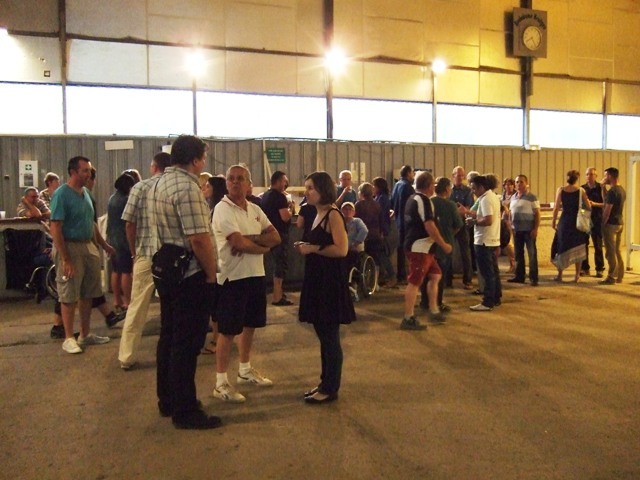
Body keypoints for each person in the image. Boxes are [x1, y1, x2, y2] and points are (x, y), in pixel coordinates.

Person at [152, 135, 222, 430]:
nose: (204, 162)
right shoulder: (188, 189)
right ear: (195, 160)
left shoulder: (160, 183)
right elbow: (198, 239)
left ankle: (168, 399)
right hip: (189, 274)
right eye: (203, 157)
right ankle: (185, 410)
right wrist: (211, 274)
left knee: (169, 337)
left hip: (168, 270)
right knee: (187, 343)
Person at [212, 165, 280, 403]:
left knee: (250, 324)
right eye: (231, 178)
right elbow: (237, 243)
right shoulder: (222, 209)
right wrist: (262, 247)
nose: (235, 182)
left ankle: (244, 370)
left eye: (240, 178)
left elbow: (276, 237)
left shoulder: (255, 209)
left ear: (249, 184)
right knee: (228, 330)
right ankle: (221, 382)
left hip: (254, 275)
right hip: (232, 278)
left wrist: (251, 239)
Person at [295, 171, 355, 404]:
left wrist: (312, 249)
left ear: (323, 189)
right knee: (323, 334)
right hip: (318, 280)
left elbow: (342, 249)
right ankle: (325, 382)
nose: (307, 192)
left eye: (310, 188)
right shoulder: (316, 213)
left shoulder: (333, 214)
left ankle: (330, 387)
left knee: (329, 337)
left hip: (329, 282)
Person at [49, 156, 113, 354]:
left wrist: (104, 245)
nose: (89, 174)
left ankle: (85, 334)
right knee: (69, 294)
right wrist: (66, 258)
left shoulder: (86, 194)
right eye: (85, 170)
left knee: (88, 293)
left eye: (89, 170)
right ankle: (69, 338)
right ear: (73, 172)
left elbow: (91, 224)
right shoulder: (61, 195)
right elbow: (55, 227)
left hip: (87, 246)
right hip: (69, 247)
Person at [118, 152, 171, 371]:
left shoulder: (139, 188)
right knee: (171, 306)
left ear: (153, 166)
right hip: (172, 257)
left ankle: (126, 356)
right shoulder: (175, 187)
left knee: (137, 307)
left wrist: (134, 253)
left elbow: (129, 224)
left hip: (146, 255)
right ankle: (172, 352)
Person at [401, 171, 452, 329]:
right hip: (420, 248)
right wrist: (443, 244)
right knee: (414, 282)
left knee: (435, 275)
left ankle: (433, 309)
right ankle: (408, 317)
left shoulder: (412, 198)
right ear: (430, 185)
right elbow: (429, 225)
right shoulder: (423, 201)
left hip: (423, 247)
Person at [466, 175, 502, 311]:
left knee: (487, 273)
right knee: (493, 271)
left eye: (474, 188)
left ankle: (487, 301)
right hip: (491, 239)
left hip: (484, 240)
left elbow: (488, 220)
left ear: (481, 187)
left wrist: (473, 222)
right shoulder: (492, 197)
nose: (473, 191)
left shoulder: (485, 199)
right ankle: (496, 297)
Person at [260, 171, 295, 306]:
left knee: (272, 264)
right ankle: (277, 296)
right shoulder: (280, 197)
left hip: (267, 234)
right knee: (280, 264)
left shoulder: (265, 195)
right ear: (279, 181)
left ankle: (277, 293)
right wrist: (291, 208)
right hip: (279, 234)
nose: (285, 184)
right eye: (284, 181)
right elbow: (285, 217)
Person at [428, 177, 462, 313]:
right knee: (439, 276)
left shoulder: (428, 202)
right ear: (447, 189)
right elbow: (458, 225)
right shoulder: (451, 205)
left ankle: (425, 301)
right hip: (445, 245)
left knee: (427, 275)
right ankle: (437, 302)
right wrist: (449, 235)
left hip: (428, 245)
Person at [551, 170, 591, 283]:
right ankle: (577, 275)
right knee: (578, 246)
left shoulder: (561, 190)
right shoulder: (581, 191)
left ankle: (560, 274)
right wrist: (581, 211)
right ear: (577, 179)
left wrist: (553, 221)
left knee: (561, 246)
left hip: (564, 221)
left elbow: (556, 207)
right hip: (577, 222)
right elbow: (588, 206)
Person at [107, 172, 138, 313]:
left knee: (116, 271)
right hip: (123, 240)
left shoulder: (112, 198)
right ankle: (127, 301)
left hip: (112, 239)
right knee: (126, 271)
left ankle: (116, 300)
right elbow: (129, 222)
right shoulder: (126, 200)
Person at [507, 175, 540, 286]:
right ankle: (519, 276)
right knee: (518, 254)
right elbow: (511, 212)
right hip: (517, 230)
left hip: (529, 230)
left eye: (521, 182)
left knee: (531, 254)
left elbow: (537, 214)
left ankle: (533, 278)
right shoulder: (513, 197)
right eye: (517, 182)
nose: (519, 184)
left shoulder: (532, 197)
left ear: (526, 183)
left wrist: (535, 228)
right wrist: (511, 225)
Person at [599, 167, 626, 285]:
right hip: (619, 223)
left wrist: (603, 224)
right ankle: (620, 275)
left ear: (610, 176)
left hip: (611, 224)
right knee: (617, 250)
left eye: (606, 175)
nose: (604, 178)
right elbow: (606, 200)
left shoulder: (612, 192)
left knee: (610, 252)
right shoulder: (621, 190)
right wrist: (602, 187)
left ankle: (611, 276)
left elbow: (607, 210)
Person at [449, 166, 474, 289]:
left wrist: (459, 210)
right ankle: (447, 279)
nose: (460, 177)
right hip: (450, 225)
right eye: (457, 175)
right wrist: (457, 210)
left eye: (462, 175)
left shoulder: (468, 191)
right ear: (452, 176)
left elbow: (468, 208)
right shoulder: (449, 190)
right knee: (448, 251)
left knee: (465, 252)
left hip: (462, 225)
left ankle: (467, 280)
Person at [391, 165, 415, 283]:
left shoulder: (397, 185)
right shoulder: (407, 187)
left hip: (398, 221)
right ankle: (408, 275)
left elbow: (392, 202)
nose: (413, 175)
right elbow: (411, 206)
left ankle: (401, 275)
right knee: (410, 249)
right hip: (407, 222)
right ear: (408, 173)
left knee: (400, 248)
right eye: (412, 173)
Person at [581, 167, 606, 278]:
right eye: (587, 174)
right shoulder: (582, 189)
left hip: (597, 220)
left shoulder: (601, 188)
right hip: (585, 219)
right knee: (584, 244)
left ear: (596, 176)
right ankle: (585, 268)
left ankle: (599, 269)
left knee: (598, 245)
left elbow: (606, 204)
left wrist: (594, 204)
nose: (589, 176)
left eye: (591, 174)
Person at [372, 176, 396, 287]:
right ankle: (383, 276)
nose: (373, 188)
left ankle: (392, 276)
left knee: (382, 254)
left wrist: (381, 231)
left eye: (374, 186)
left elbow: (381, 215)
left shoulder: (382, 199)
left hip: (381, 229)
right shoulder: (380, 197)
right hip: (382, 228)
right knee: (380, 254)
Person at [355, 182, 384, 269]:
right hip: (375, 235)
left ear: (361, 192)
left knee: (363, 261)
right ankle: (375, 276)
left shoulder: (358, 205)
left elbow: (356, 221)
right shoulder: (377, 205)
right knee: (376, 261)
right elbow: (381, 221)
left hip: (363, 236)